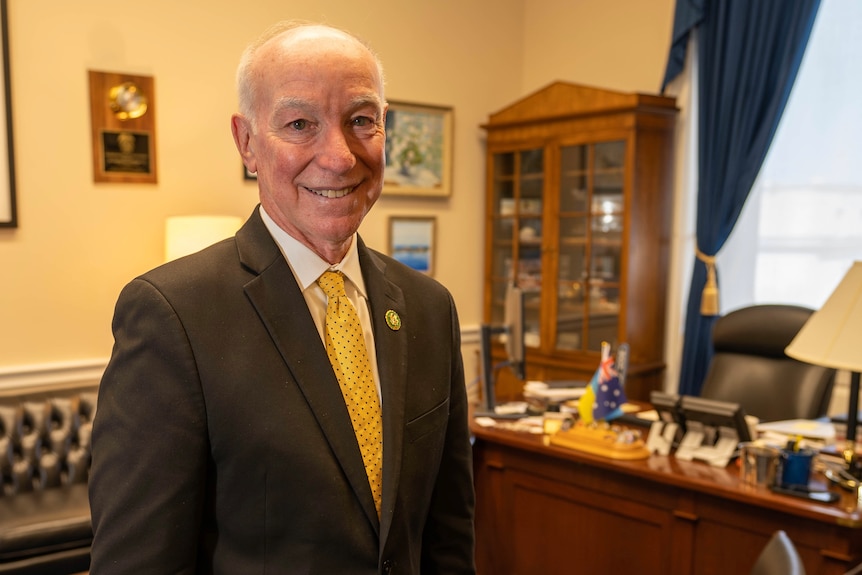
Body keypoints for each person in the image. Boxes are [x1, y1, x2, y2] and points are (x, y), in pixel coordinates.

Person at [88, 21, 476, 574]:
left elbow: (449, 536)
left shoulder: (430, 308)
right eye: (300, 123)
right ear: (247, 143)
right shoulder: (173, 315)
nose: (340, 156)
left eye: (361, 121)